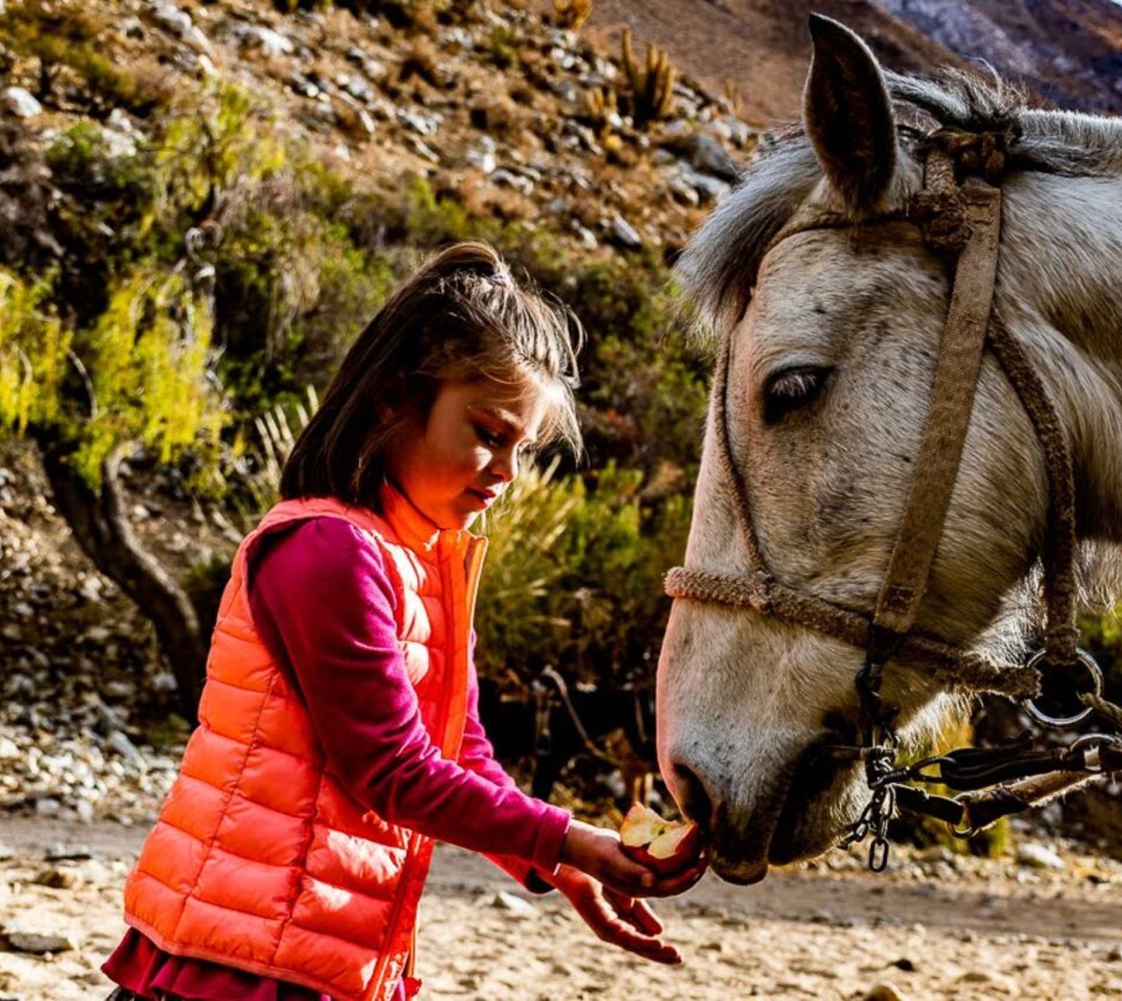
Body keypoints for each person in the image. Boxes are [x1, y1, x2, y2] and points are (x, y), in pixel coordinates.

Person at [101, 242, 705, 1001]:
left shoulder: (421, 562)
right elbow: (393, 770)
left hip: (307, 953)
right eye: (489, 431)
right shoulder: (328, 551)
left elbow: (458, 749)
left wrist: (557, 861)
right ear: (392, 397)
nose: (506, 471)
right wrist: (563, 835)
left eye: (521, 446)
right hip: (240, 963)